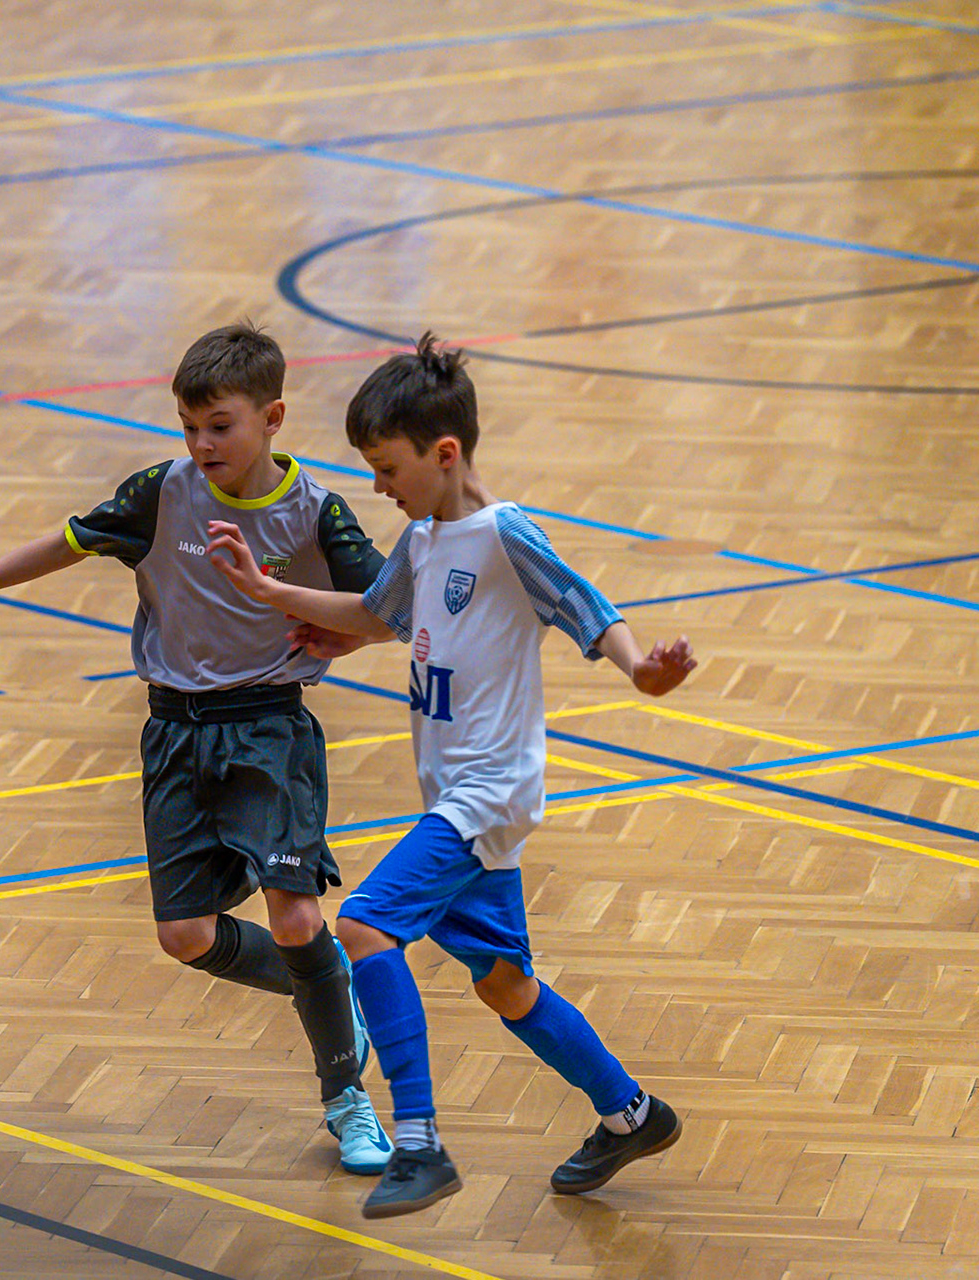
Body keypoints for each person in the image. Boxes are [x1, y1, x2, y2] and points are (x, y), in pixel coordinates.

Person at [205, 333, 696, 1217]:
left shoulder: (504, 536)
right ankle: (631, 1115)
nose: (380, 487)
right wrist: (272, 594)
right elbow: (377, 613)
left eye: (388, 469)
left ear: (443, 453)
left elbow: (590, 611)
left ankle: (421, 1143)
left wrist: (642, 671)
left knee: (364, 927)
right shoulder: (424, 541)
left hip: (488, 794)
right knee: (505, 983)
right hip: (456, 796)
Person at [0, 323, 393, 1173]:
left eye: (220, 427)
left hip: (269, 730)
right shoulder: (161, 494)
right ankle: (325, 981)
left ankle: (347, 1098)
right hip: (173, 735)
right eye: (189, 427)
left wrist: (351, 637)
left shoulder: (316, 512)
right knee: (186, 936)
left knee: (296, 914)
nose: (202, 445)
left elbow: (389, 606)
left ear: (272, 418)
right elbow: (66, 542)